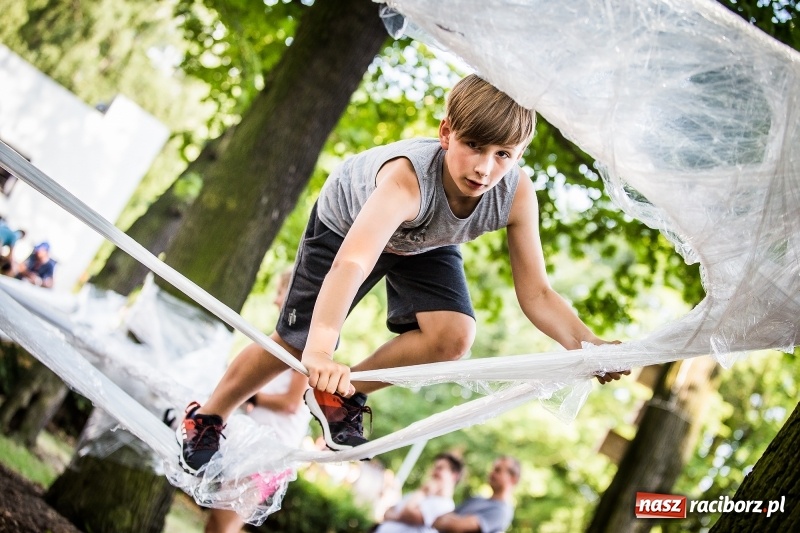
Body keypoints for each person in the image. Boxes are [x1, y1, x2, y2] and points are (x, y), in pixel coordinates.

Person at [177, 73, 627, 475]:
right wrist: (319, 349)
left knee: (452, 338)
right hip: (348, 226)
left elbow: (538, 293)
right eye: (474, 146)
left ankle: (344, 394)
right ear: (447, 133)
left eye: (504, 154)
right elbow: (352, 261)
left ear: (520, 154)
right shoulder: (406, 180)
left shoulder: (514, 194)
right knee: (293, 344)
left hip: (427, 241)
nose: (485, 168)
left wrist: (589, 346)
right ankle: (209, 416)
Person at [203, 270, 311, 533]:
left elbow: (290, 403)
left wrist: (250, 394)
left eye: (280, 292)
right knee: (218, 520)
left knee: (224, 522)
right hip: (255, 445)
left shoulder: (305, 345)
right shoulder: (286, 343)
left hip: (270, 452)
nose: (276, 301)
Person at [375, 452, 464, 533]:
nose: (434, 472)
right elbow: (388, 512)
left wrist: (423, 491)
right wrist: (399, 517)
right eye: (434, 467)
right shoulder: (420, 495)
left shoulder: (445, 506)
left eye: (440, 468)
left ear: (454, 476)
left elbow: (407, 514)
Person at [432, 456, 520, 533]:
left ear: (512, 479)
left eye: (497, 470)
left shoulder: (501, 511)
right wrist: (460, 522)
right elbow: (436, 521)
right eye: (493, 469)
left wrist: (455, 522)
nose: (491, 473)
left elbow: (458, 527)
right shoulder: (477, 499)